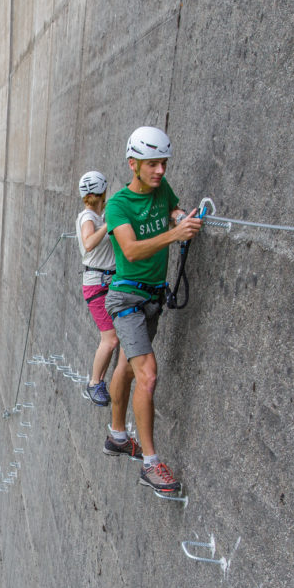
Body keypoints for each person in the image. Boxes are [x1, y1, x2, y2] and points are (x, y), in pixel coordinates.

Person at [102, 126, 202, 493]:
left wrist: (177, 217)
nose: (161, 170)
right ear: (133, 164)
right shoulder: (118, 205)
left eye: (164, 163)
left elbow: (172, 207)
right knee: (148, 375)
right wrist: (175, 236)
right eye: (153, 164)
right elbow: (130, 250)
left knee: (128, 368)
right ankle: (151, 463)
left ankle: (116, 435)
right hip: (126, 299)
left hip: (153, 299)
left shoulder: (162, 190)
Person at [75, 171, 119, 407]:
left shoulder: (95, 216)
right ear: (102, 192)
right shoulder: (88, 217)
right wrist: (108, 226)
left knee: (113, 337)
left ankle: (98, 381)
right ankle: (94, 383)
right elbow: (89, 242)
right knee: (110, 339)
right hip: (98, 285)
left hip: (105, 282)